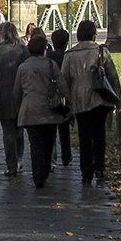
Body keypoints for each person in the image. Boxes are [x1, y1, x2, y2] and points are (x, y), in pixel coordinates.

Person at [60, 20, 121, 185]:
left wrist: (66, 102)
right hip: (100, 97)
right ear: (94, 33)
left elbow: (64, 81)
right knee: (99, 133)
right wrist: (118, 98)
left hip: (79, 99)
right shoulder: (101, 51)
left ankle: (86, 171)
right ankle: (100, 168)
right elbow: (112, 75)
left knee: (84, 136)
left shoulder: (69, 55)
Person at [14, 34, 70, 188]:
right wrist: (69, 103)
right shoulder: (51, 65)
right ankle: (44, 170)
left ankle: (38, 175)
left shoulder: (23, 67)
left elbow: (17, 91)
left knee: (35, 144)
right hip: (49, 109)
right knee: (48, 141)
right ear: (45, 49)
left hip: (30, 109)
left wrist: (19, 107)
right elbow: (62, 85)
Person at [0, 22, 28, 177]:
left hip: (2, 94)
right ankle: (19, 159)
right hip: (21, 94)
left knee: (7, 131)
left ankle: (11, 165)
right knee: (19, 129)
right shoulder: (22, 50)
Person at [47, 28, 74, 167]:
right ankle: (66, 155)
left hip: (52, 95)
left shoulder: (49, 57)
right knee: (64, 127)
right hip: (65, 94)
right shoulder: (69, 56)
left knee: (51, 128)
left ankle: (52, 158)